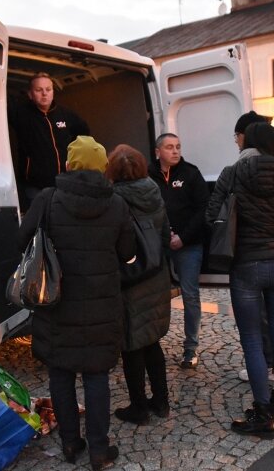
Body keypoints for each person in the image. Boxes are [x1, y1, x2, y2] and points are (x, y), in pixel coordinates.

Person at [17, 135, 135, 469]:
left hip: (57, 304)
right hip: (102, 306)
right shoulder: (116, 204)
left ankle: (71, 444)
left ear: (67, 165)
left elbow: (21, 239)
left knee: (61, 374)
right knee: (97, 377)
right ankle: (99, 451)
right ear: (102, 167)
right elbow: (128, 253)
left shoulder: (47, 199)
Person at [206, 122, 274, 438]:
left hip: (246, 266)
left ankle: (263, 415)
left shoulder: (233, 172)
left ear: (246, 143)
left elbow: (212, 215)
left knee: (252, 339)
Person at [105, 145, 172, 425]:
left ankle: (139, 408)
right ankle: (162, 402)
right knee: (152, 341)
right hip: (156, 278)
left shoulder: (114, 200)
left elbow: (114, 245)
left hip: (130, 281)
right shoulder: (154, 192)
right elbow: (166, 235)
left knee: (131, 345)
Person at [149, 133, 209, 369]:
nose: (175, 151)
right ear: (158, 152)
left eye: (178, 147)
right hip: (158, 245)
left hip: (188, 244)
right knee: (154, 295)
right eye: (169, 147)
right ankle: (153, 345)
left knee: (190, 295)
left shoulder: (191, 173)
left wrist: (183, 237)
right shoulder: (147, 174)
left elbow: (204, 209)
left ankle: (190, 348)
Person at [10, 72, 90, 210]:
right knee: (40, 223)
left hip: (65, 185)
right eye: (39, 90)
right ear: (30, 94)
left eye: (48, 89)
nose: (44, 94)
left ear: (53, 92)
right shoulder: (21, 114)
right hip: (35, 187)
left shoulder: (65, 114)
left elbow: (84, 133)